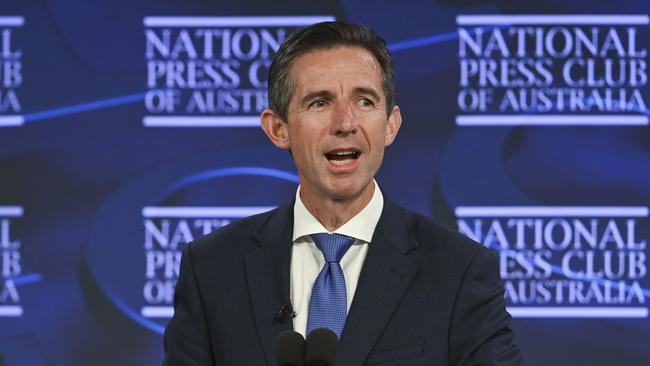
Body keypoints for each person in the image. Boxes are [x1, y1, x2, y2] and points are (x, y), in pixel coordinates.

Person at [163, 21, 523, 365]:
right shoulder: (212, 268)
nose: (346, 123)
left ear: (390, 125)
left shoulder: (458, 270)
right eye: (319, 102)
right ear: (278, 128)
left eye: (364, 101)